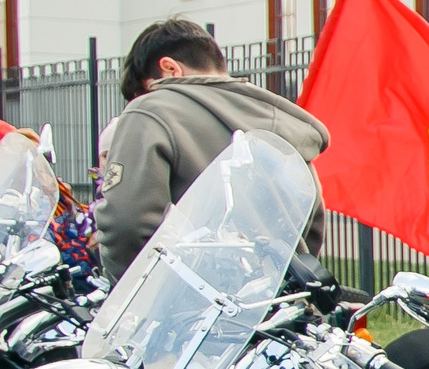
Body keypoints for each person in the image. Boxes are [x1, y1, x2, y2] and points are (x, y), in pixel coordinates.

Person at [97, 20, 328, 282]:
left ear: (170, 68)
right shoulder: (279, 119)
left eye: (144, 90)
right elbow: (310, 229)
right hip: (277, 306)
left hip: (191, 313)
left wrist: (127, 296)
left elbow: (126, 225)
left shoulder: (152, 109)